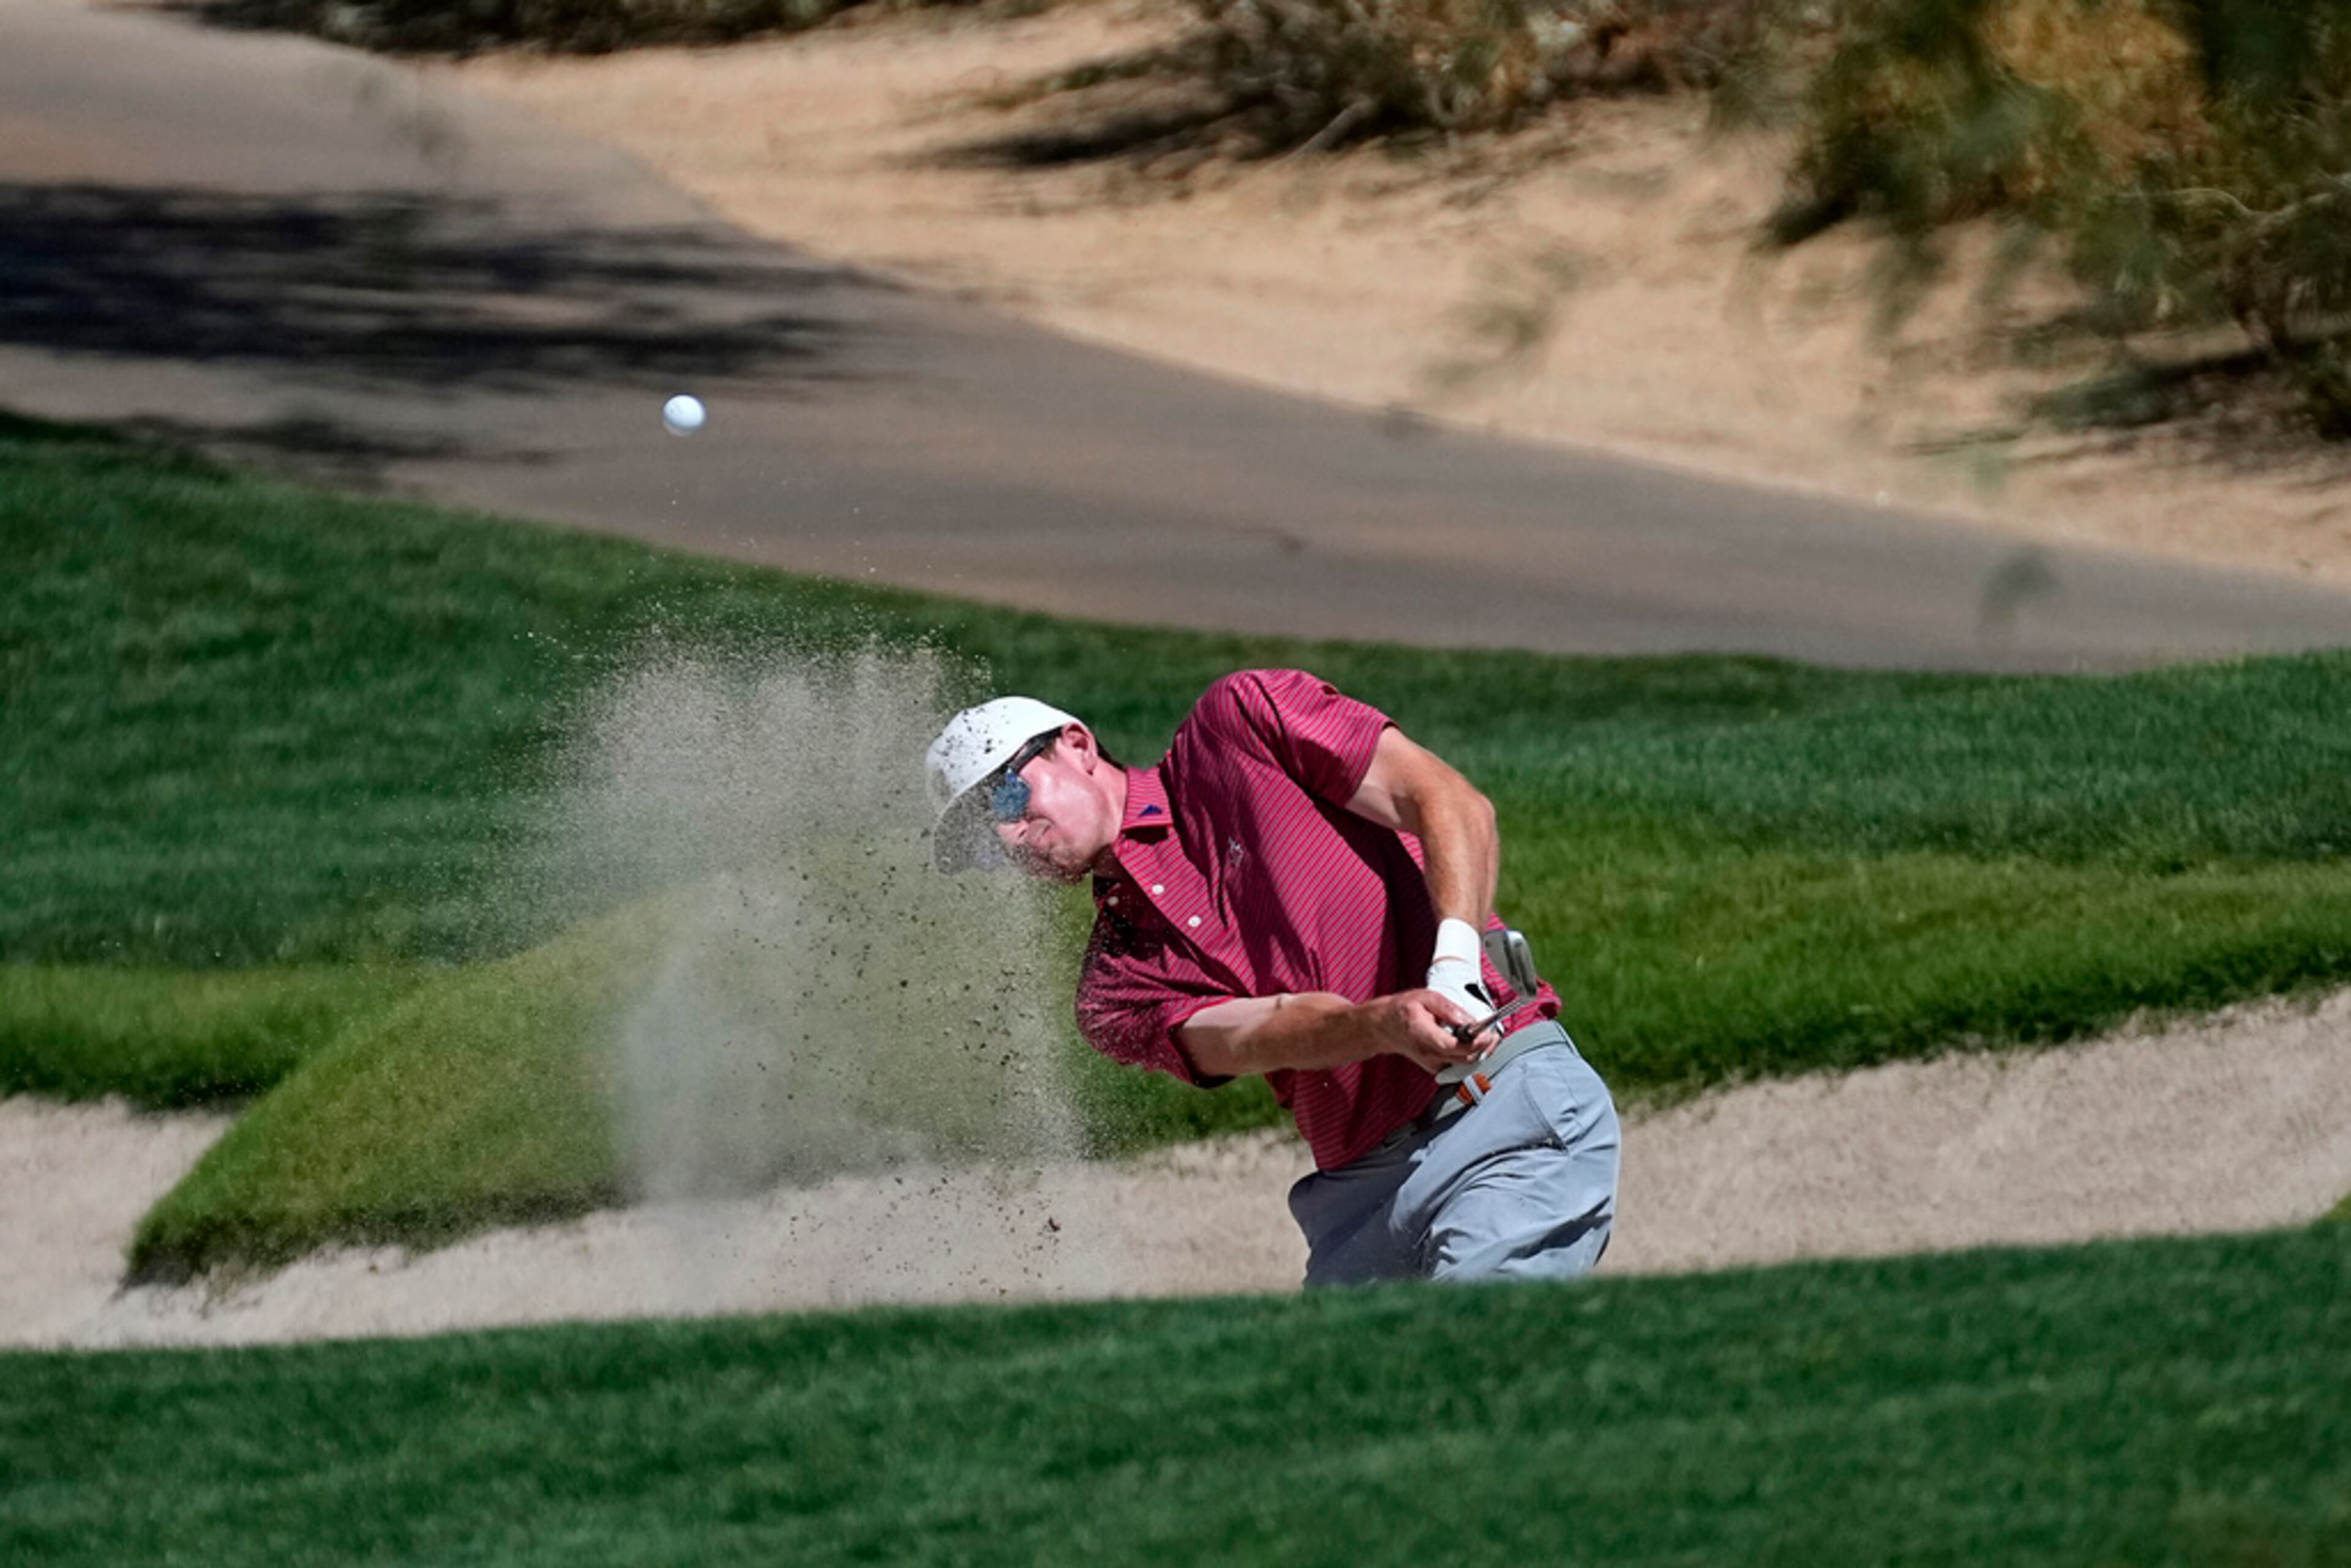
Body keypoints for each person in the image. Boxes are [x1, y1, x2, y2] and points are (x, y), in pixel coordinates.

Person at [923, 669, 1618, 1285]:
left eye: (1008, 797)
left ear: (1075, 743)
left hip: (1497, 1109)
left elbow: (1451, 802)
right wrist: (1383, 1021)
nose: (1011, 838)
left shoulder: (1241, 723)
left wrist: (1456, 965)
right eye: (986, 840)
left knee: (1477, 1364)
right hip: (1357, 1200)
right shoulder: (1114, 986)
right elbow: (1264, 1032)